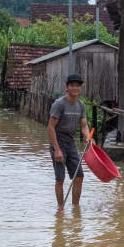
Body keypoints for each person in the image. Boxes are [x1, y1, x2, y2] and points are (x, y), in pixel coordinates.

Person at [48, 73, 92, 208]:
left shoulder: (80, 105)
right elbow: (50, 127)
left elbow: (84, 125)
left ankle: (75, 207)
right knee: (60, 179)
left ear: (80, 89)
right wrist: (56, 150)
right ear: (66, 87)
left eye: (78, 86)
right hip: (58, 144)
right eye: (72, 85)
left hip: (71, 144)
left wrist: (88, 137)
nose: (75, 88)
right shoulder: (59, 104)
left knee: (79, 176)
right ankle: (60, 209)